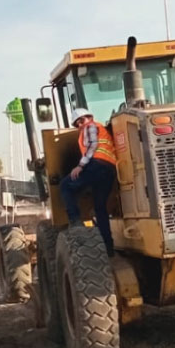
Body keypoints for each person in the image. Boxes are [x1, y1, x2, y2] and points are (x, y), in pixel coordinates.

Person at [60, 107, 117, 256]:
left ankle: (75, 222)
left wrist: (80, 166)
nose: (80, 124)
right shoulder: (102, 129)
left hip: (96, 165)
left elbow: (93, 144)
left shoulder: (91, 126)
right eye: (77, 123)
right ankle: (108, 248)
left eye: (81, 120)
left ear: (89, 118)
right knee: (100, 208)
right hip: (109, 170)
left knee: (65, 185)